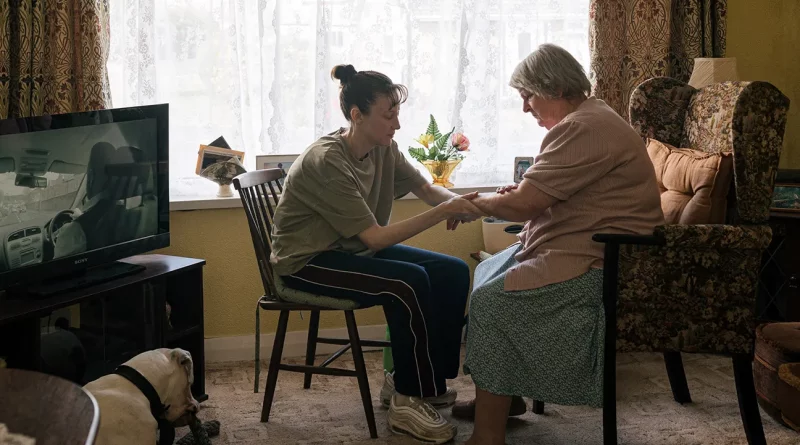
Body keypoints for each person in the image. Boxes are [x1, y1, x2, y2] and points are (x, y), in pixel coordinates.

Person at [453, 44, 665, 445]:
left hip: (601, 263)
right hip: (581, 244)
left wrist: (473, 205)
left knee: (493, 301)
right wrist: (520, 192)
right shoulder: (588, 117)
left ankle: (488, 434)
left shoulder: (583, 127)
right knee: (486, 271)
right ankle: (503, 394)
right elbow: (556, 191)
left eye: (526, 97)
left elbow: (524, 206)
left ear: (550, 86)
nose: (525, 108)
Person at [269, 64, 484, 444]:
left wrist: (469, 206)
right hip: (305, 264)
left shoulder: (384, 150)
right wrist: (444, 213)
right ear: (357, 115)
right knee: (408, 282)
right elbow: (375, 239)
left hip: (348, 252)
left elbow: (429, 190)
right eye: (389, 115)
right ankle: (406, 399)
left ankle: (424, 383)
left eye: (397, 113)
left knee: (451, 271)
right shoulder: (328, 161)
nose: (397, 124)